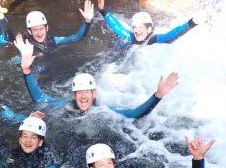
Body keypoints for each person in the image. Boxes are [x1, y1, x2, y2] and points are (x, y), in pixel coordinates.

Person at [14, 35, 179, 119]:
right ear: (73, 95)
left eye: (87, 92)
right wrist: (26, 69)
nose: (84, 95)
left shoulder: (104, 112)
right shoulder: (65, 106)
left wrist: (158, 95)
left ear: (94, 94)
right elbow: (39, 98)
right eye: (79, 92)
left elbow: (135, 114)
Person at [94, 0, 197, 46]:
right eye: (135, 27)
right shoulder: (130, 37)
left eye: (140, 27)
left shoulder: (154, 40)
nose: (137, 31)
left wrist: (191, 23)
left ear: (148, 29)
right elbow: (117, 26)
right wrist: (102, 10)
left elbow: (172, 34)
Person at [21, 0, 94, 56]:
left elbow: (76, 37)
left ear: (47, 28)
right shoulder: (25, 48)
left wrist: (87, 21)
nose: (39, 34)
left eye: (41, 29)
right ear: (29, 31)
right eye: (35, 30)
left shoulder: (55, 41)